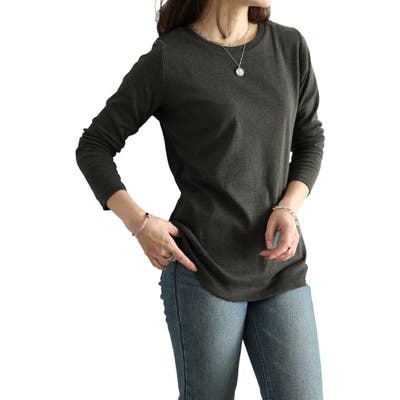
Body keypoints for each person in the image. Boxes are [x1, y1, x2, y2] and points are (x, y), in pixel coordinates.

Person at [75, 0, 325, 398]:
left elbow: (310, 139)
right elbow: (94, 146)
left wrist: (287, 208)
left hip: (280, 267)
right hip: (203, 268)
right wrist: (140, 225)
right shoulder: (170, 59)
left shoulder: (289, 47)